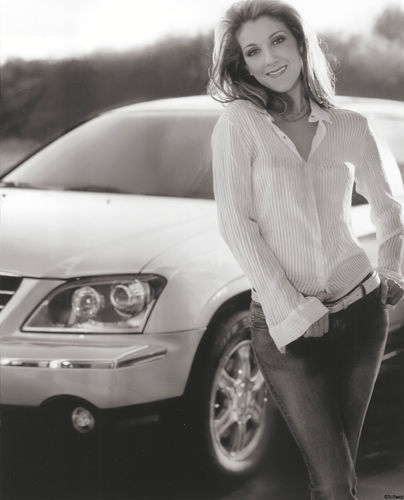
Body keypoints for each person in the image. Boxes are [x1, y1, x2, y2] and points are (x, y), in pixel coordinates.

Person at [209, 1, 404, 498]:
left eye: (277, 41)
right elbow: (236, 224)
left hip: (361, 314)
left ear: (300, 44)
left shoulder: (350, 125)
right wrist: (293, 310)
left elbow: (390, 204)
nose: (269, 59)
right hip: (285, 328)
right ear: (242, 63)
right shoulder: (239, 123)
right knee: (335, 481)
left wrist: (392, 268)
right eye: (252, 51)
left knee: (339, 475)